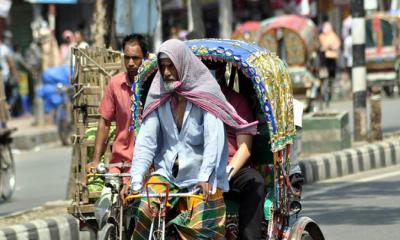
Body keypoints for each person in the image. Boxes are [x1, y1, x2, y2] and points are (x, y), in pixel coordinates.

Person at [130, 39, 258, 239]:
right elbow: (146, 141)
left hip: (201, 175)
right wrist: (136, 179)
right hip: (166, 175)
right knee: (143, 209)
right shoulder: (159, 98)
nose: (166, 72)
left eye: (171, 66)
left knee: (201, 225)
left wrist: (207, 175)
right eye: (162, 67)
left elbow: (213, 140)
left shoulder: (207, 97)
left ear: (183, 65)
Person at [86, 34, 148, 199]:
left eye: (136, 58)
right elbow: (104, 122)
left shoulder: (154, 86)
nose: (130, 63)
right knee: (106, 203)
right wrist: (95, 160)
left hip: (145, 163)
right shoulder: (115, 84)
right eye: (127, 58)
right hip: (118, 162)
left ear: (146, 58)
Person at [211, 62, 266, 240]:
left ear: (221, 71)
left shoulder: (236, 102)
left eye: (212, 68)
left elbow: (244, 147)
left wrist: (224, 175)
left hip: (231, 169)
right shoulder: (189, 100)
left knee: (254, 182)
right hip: (199, 166)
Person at [319, 21, 340, 106]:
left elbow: (335, 45)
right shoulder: (322, 36)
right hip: (325, 60)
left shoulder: (332, 36)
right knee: (326, 78)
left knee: (331, 78)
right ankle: (326, 93)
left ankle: (328, 92)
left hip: (330, 59)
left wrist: (327, 46)